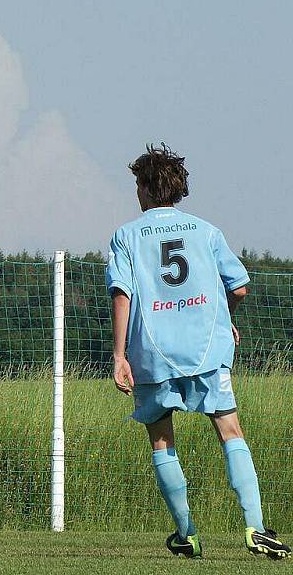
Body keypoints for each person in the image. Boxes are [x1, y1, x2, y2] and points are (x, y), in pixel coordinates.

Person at [106, 143, 289, 560]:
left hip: (152, 353)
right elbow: (238, 286)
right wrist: (224, 319)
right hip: (206, 349)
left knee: (161, 439)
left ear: (145, 189)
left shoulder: (127, 235)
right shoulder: (206, 231)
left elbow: (122, 294)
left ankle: (186, 533)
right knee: (230, 430)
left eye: (137, 184)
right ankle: (257, 528)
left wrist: (119, 355)